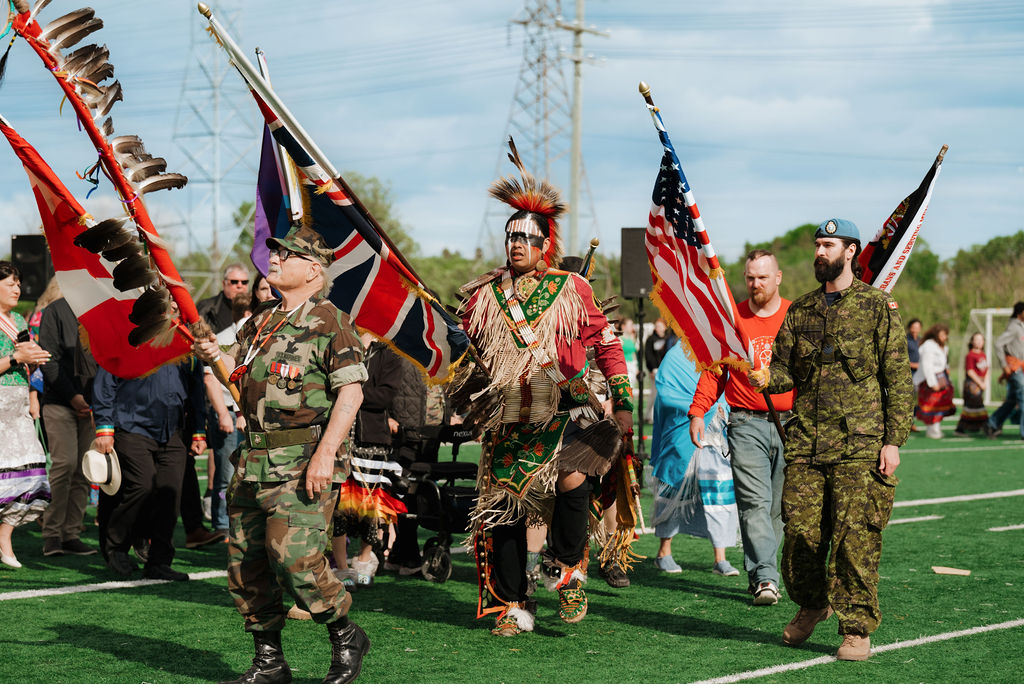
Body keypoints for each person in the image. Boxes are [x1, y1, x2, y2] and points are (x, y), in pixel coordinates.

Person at [459, 142, 633, 636]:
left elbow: (605, 341)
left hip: (569, 405)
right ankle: (513, 604)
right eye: (511, 236)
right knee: (506, 509)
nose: (516, 244)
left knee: (574, 479)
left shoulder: (571, 288)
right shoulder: (484, 297)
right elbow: (465, 349)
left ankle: (566, 567)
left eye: (526, 238)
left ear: (545, 245)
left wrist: (621, 403)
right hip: (511, 415)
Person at [193, 224, 370, 684]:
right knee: (246, 563)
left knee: (295, 559)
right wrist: (213, 352)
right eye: (273, 253)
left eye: (285, 254)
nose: (273, 259)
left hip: (302, 460)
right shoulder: (260, 319)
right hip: (252, 461)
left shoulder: (330, 320)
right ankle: (270, 661)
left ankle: (345, 635)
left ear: (313, 270)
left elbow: (350, 392)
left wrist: (326, 454)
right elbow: (236, 374)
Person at [749, 218, 912, 662]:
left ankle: (857, 627)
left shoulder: (878, 307)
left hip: (860, 444)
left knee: (854, 539)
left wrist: (893, 440)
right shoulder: (800, 311)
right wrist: (766, 375)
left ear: (851, 251)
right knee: (800, 533)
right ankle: (812, 603)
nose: (819, 252)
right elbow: (786, 371)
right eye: (817, 245)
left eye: (828, 245)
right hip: (806, 443)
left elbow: (897, 377)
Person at [688, 249, 794, 605]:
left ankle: (761, 571)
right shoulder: (731, 318)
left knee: (780, 507)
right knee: (753, 502)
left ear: (777, 277)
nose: (756, 284)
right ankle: (766, 576)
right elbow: (714, 369)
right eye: (750, 277)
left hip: (791, 423)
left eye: (763, 277)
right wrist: (698, 412)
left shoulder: (795, 316)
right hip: (745, 421)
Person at [92, 357, 208, 580]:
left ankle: (159, 561)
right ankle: (115, 547)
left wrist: (198, 430)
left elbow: (196, 388)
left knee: (170, 494)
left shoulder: (186, 342)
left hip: (173, 430)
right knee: (141, 484)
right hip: (130, 425)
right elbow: (105, 382)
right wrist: (104, 426)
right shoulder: (126, 336)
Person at [650, 343, 739, 577]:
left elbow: (735, 384)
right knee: (673, 491)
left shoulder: (723, 350)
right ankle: (664, 552)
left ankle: (720, 558)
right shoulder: (678, 354)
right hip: (683, 433)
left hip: (717, 434)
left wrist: (721, 406)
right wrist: (697, 409)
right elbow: (666, 391)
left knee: (719, 492)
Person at [332, 333, 406, 588]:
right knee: (338, 508)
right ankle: (341, 568)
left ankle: (364, 563)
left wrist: (348, 390)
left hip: (372, 441)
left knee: (370, 510)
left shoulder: (389, 354)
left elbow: (384, 397)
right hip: (339, 437)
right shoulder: (343, 344)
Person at [38, 292, 99, 556]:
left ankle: (71, 532)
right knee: (64, 464)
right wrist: (73, 397)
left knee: (84, 470)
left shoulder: (99, 309)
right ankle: (52, 534)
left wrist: (96, 400)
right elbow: (48, 360)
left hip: (92, 405)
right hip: (59, 402)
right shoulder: (55, 311)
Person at [0, 261, 52, 568]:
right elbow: (14, 356)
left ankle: (5, 536)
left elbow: (25, 355)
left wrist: (34, 358)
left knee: (31, 476)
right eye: (10, 284)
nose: (17, 289)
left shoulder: (18, 318)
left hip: (17, 406)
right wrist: (15, 356)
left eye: (18, 283)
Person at [203, 293, 254, 536]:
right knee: (225, 475)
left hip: (248, 416)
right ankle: (221, 523)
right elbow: (210, 379)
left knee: (245, 475)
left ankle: (240, 524)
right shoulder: (223, 338)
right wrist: (224, 414)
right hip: (228, 415)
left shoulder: (259, 338)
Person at [985, 302, 1024, 439]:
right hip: (1015, 369)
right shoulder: (1014, 327)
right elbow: (998, 344)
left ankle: (992, 424)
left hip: (1020, 369)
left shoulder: (1021, 327)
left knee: (1012, 401)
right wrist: (1005, 365)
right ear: (1020, 313)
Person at [913, 324, 955, 439]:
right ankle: (932, 429)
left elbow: (944, 363)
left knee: (940, 404)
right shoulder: (929, 346)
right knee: (931, 405)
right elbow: (927, 365)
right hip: (928, 379)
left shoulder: (943, 346)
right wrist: (932, 383)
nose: (944, 337)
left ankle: (935, 427)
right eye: (941, 335)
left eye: (945, 335)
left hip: (941, 378)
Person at [197, 263, 250, 333]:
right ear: (224, 284)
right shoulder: (206, 308)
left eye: (244, 282)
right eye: (234, 282)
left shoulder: (256, 307)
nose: (240, 286)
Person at [955, 333, 990, 435]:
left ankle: (973, 427)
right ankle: (985, 427)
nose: (979, 342)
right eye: (976, 339)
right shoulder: (970, 355)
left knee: (974, 406)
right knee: (975, 406)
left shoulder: (983, 354)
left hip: (980, 383)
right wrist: (979, 383)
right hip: (972, 384)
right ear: (972, 342)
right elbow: (970, 371)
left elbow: (987, 370)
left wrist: (985, 383)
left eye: (981, 340)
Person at [643, 318, 673, 421]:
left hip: (666, 370)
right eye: (656, 326)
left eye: (660, 326)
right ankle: (648, 415)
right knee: (654, 394)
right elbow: (648, 355)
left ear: (665, 327)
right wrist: (652, 369)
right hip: (655, 370)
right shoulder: (651, 339)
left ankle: (660, 415)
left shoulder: (668, 339)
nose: (657, 328)